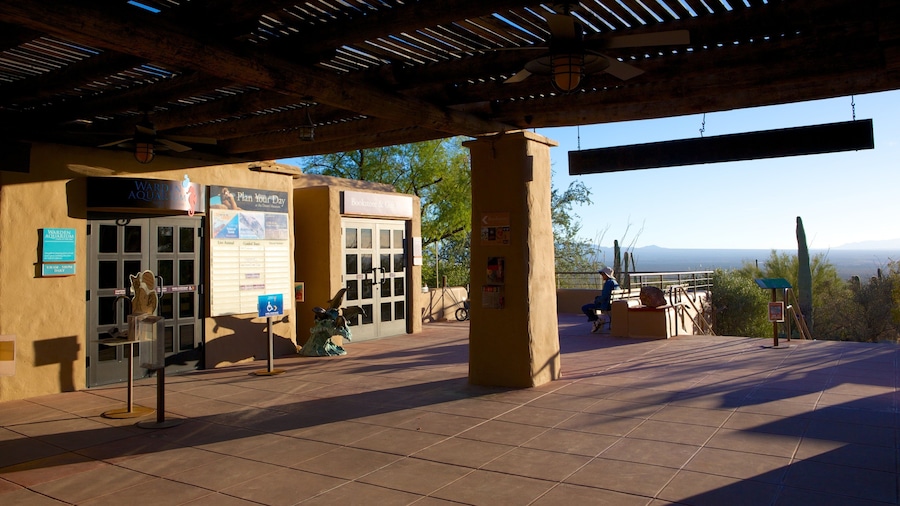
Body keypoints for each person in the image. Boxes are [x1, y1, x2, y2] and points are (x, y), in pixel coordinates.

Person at [582, 266, 619, 333]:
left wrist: (596, 300)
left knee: (585, 307)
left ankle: (597, 320)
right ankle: (598, 321)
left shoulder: (608, 283)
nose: (602, 276)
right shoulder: (615, 282)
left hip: (606, 305)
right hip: (612, 303)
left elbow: (604, 297)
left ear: (606, 275)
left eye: (603, 274)